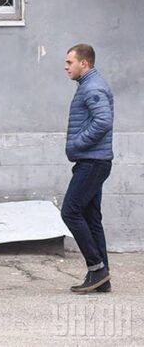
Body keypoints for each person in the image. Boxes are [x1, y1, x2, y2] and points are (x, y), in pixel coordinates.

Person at [62, 43, 114, 293]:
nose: (66, 66)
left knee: (70, 212)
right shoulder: (89, 85)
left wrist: (77, 142)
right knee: (92, 217)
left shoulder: (92, 87)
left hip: (92, 161)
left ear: (85, 63)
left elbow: (103, 121)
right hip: (94, 160)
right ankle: (102, 278)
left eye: (70, 62)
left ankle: (97, 268)